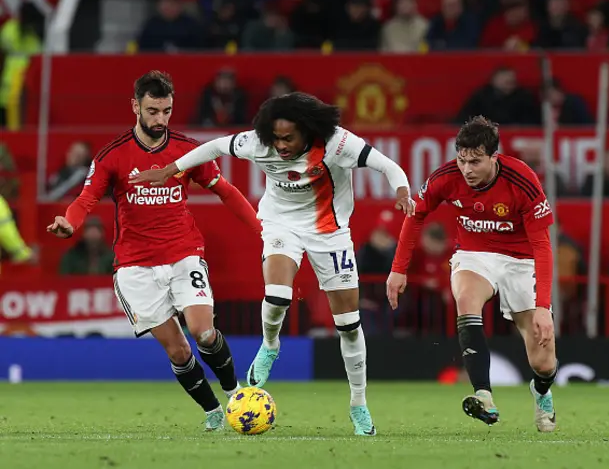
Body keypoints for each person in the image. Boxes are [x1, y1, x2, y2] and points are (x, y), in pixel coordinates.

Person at [130, 92, 416, 436]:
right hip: (281, 225)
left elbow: (388, 165)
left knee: (349, 325)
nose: (280, 145)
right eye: (276, 137)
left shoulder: (337, 143)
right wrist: (171, 169)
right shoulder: (259, 142)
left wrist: (401, 190)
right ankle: (270, 345)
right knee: (278, 294)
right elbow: (215, 146)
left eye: (288, 138)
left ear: (307, 131)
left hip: (331, 233)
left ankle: (358, 404)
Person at [47, 71, 262, 431]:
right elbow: (85, 200)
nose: (161, 119)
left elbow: (225, 190)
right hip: (135, 267)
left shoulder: (187, 151)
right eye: (153, 111)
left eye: (166, 111)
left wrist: (262, 229)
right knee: (178, 350)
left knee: (203, 332)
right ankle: (212, 413)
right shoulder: (112, 157)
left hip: (183, 253)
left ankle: (236, 395)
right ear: (136, 106)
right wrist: (71, 222)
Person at [386, 116, 557, 432]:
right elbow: (416, 215)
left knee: (543, 363)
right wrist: (398, 270)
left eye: (475, 162)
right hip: (474, 255)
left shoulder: (523, 181)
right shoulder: (446, 177)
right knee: (466, 298)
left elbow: (543, 247)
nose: (467, 169)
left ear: (494, 157)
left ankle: (542, 391)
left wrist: (544, 307)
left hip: (522, 261)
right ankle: (485, 397)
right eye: (462, 160)